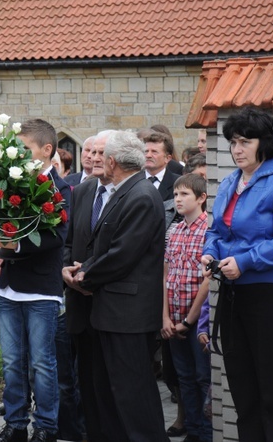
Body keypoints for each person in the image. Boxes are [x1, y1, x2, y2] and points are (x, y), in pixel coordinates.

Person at [201, 107, 273, 442]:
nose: (237, 149)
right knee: (243, 385)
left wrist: (245, 261)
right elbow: (217, 231)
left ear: (264, 143)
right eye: (233, 142)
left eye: (244, 142)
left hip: (272, 293)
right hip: (235, 293)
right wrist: (211, 252)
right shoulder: (232, 181)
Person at [75, 130, 168, 442]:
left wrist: (84, 275)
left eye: (104, 157)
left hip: (128, 313)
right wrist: (84, 268)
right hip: (113, 310)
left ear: (112, 162)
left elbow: (122, 254)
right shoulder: (128, 191)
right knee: (112, 392)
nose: (99, 161)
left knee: (134, 393)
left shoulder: (140, 196)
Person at [0, 118, 71, 442]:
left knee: (41, 364)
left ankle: (46, 428)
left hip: (41, 290)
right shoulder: (13, 184)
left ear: (46, 150)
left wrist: (15, 245)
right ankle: (15, 425)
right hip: (10, 288)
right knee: (12, 362)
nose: (19, 155)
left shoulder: (60, 188)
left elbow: (56, 237)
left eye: (25, 149)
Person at [62, 129, 114, 441]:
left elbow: (121, 249)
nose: (93, 157)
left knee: (108, 384)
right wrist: (67, 270)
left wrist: (88, 273)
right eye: (89, 151)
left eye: (99, 152)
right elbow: (69, 242)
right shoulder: (80, 191)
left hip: (109, 301)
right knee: (85, 379)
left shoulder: (127, 194)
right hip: (79, 302)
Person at [161, 174, 212, 442]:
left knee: (203, 377)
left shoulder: (208, 230)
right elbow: (167, 274)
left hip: (196, 320)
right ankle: (192, 430)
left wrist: (190, 321)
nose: (178, 200)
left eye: (184, 195)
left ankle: (206, 433)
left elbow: (207, 281)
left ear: (201, 198)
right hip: (175, 317)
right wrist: (166, 317)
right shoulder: (174, 230)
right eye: (176, 194)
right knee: (184, 378)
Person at [144, 131, 182, 201]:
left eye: (154, 152)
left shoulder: (179, 183)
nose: (148, 155)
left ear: (167, 158)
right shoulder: (133, 181)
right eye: (146, 151)